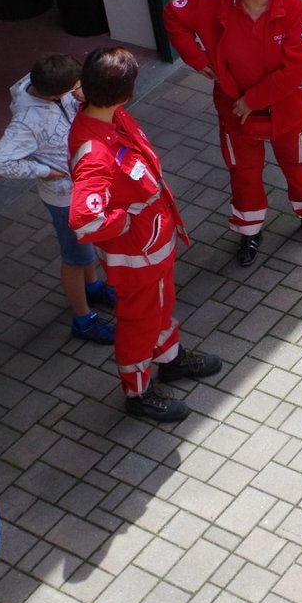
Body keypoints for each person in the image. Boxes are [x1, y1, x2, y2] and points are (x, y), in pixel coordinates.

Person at [67, 46, 222, 422]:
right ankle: (137, 394)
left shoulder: (111, 116)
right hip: (136, 260)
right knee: (139, 324)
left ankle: (170, 360)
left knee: (161, 307)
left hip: (153, 251)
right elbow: (84, 220)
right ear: (124, 94)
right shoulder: (94, 151)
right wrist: (124, 219)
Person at [163, 0, 302, 267]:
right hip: (235, 115)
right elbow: (172, 14)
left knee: (299, 167)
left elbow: (298, 67)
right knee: (243, 176)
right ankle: (250, 231)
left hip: (286, 113)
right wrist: (196, 59)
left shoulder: (293, 8)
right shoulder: (215, 3)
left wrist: (253, 100)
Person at [0, 53, 116, 345]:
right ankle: (83, 319)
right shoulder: (26, 123)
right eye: (74, 87)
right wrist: (43, 171)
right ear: (57, 93)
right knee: (75, 257)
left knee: (86, 248)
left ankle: (93, 287)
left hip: (82, 188)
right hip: (66, 199)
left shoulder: (40, 84)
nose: (79, 89)